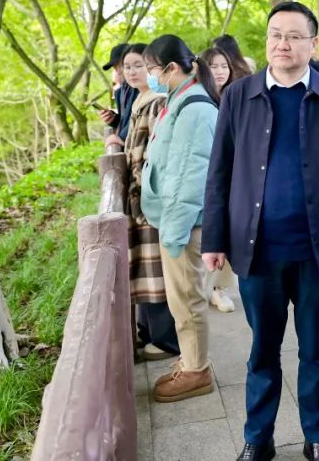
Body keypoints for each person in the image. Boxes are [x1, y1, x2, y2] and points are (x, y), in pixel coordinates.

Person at [202, 2, 319, 461]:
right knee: (262, 350)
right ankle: (259, 438)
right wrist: (214, 239)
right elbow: (219, 172)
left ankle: (317, 437)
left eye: (294, 36)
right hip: (257, 252)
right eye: (276, 34)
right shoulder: (239, 96)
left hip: (317, 252)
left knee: (314, 349)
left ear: (313, 44)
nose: (283, 43)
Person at [140, 35, 220, 404]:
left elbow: (188, 179)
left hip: (184, 224)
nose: (150, 77)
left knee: (187, 299)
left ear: (172, 68)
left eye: (152, 70)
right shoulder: (179, 99)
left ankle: (197, 370)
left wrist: (173, 232)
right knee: (182, 299)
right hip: (177, 220)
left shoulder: (194, 109)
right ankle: (191, 360)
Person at [121, 43, 181, 361]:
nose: (132, 71)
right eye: (127, 66)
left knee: (155, 268)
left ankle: (167, 340)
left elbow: (158, 154)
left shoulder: (157, 101)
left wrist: (146, 191)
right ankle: (149, 331)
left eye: (139, 65)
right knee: (144, 266)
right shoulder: (139, 99)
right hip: (138, 198)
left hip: (149, 198)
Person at [200, 46, 252, 315]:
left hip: (233, 177)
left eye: (224, 66)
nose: (220, 71)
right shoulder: (200, 99)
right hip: (206, 177)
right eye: (213, 66)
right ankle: (207, 288)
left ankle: (219, 289)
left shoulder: (236, 95)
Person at [100, 43, 138, 146]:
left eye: (119, 65)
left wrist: (121, 137)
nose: (117, 70)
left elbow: (140, 116)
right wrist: (113, 119)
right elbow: (125, 119)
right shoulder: (120, 92)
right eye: (115, 67)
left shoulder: (140, 86)